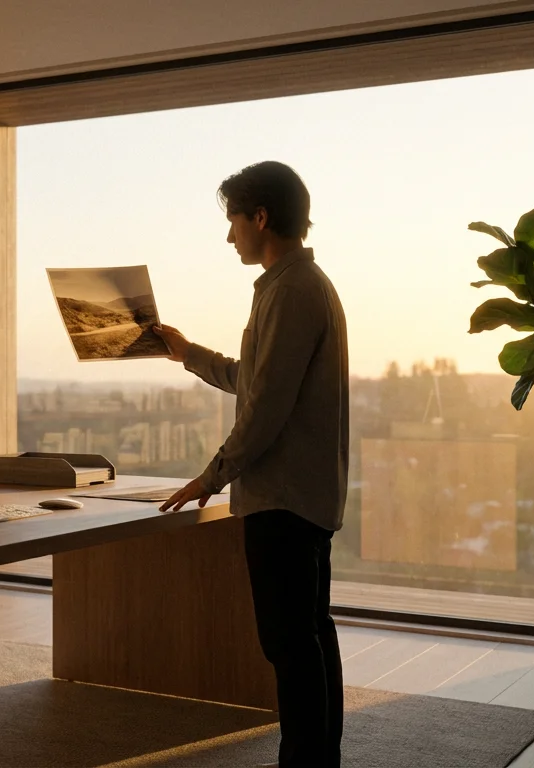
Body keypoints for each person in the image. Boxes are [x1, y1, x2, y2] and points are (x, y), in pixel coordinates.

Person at [153, 161, 348, 768]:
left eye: (233, 221)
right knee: (310, 635)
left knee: (291, 644)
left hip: (284, 499)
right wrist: (189, 354)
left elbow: (264, 409)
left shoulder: (291, 291)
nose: (229, 235)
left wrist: (209, 477)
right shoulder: (293, 286)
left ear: (259, 217)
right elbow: (253, 380)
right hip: (302, 495)